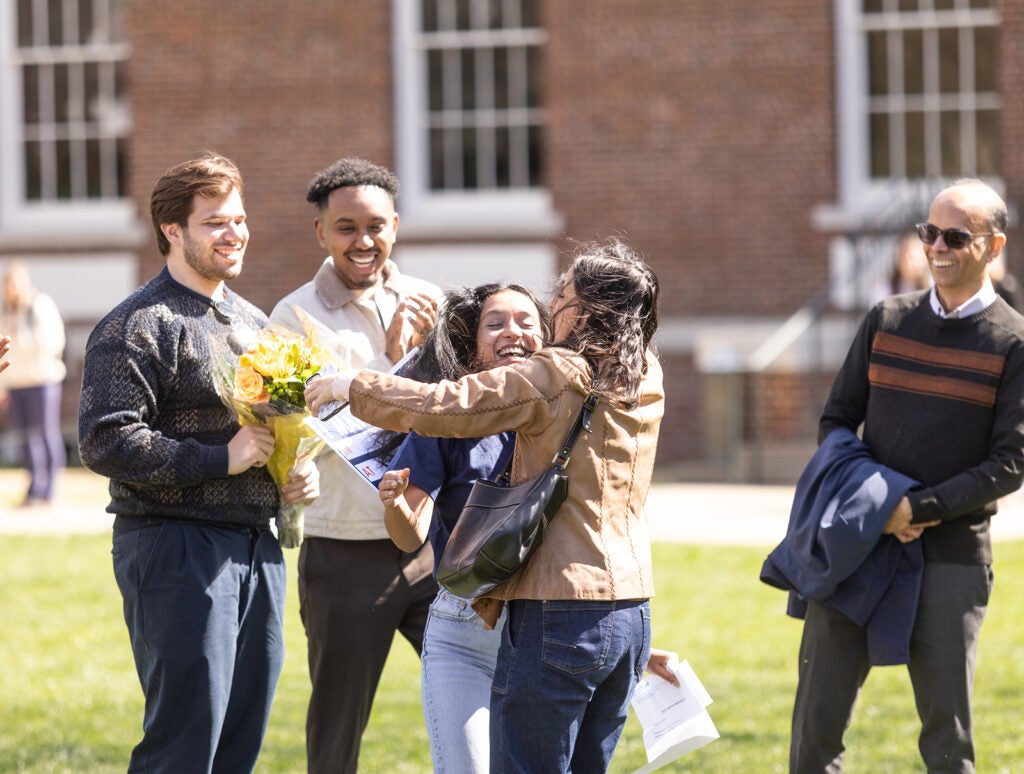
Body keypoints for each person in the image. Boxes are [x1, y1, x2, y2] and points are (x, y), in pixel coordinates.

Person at [308, 238, 664, 773]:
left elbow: (445, 403)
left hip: (559, 610)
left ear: (587, 310)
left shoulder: (559, 372)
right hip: (631, 612)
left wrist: (347, 382)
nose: (553, 305)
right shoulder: (644, 376)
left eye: (560, 296)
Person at [78, 152, 319, 773]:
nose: (234, 233)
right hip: (175, 548)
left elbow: (267, 428)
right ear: (173, 231)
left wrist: (289, 471)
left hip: (257, 549)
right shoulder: (137, 324)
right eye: (215, 222)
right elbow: (105, 440)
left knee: (241, 740)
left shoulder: (254, 322)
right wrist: (221, 458)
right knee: (186, 744)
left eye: (239, 219)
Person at [789, 179, 1024, 773]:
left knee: (948, 741)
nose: (937, 247)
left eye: (955, 236)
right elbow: (837, 423)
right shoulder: (886, 319)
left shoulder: (1014, 342)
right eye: (929, 232)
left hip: (951, 557)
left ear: (993, 247)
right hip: (855, 549)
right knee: (814, 732)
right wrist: (879, 506)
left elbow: (1011, 463)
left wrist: (916, 511)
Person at [269, 157, 440, 774]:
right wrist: (395, 361)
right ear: (320, 232)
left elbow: (454, 416)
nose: (362, 242)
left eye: (375, 226)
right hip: (345, 551)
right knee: (336, 734)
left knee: (483, 692)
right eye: (345, 228)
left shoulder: (432, 303)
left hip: (431, 544)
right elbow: (327, 433)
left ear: (395, 224)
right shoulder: (293, 318)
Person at [377, 282, 549, 772]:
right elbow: (409, 534)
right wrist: (394, 504)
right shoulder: (445, 420)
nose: (511, 332)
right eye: (494, 323)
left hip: (545, 628)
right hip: (464, 632)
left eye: (525, 321)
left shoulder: (568, 417)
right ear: (472, 344)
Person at [0, 261, 67, 507]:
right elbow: (6, 353)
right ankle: (33, 489)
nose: (10, 288)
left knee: (45, 433)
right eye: (7, 284)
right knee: (25, 437)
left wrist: (21, 338)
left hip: (42, 380)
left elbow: (52, 342)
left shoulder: (40, 306)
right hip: (17, 383)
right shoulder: (7, 312)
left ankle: (50, 489)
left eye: (15, 283)